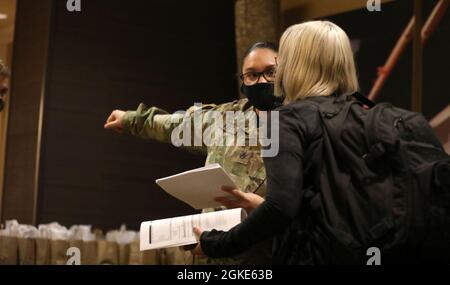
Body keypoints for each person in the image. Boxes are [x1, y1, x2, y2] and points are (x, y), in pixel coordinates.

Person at [194, 21, 450, 265]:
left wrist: (215, 244)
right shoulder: (375, 116)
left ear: (294, 66)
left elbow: (280, 208)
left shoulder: (285, 120)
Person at [104, 42, 279, 264]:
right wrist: (131, 120)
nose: (261, 81)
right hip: (210, 254)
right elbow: (176, 125)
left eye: (270, 73)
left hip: (263, 257)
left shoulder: (303, 124)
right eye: (252, 75)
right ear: (243, 81)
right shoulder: (226, 118)